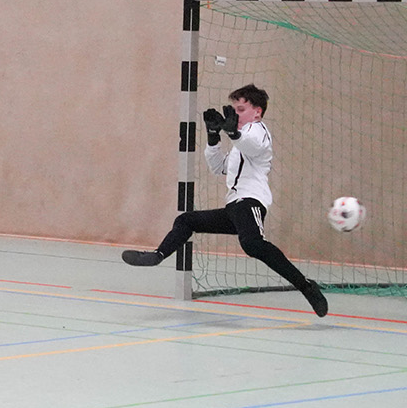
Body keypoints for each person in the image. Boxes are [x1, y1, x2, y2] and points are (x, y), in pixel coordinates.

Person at [122, 84, 329, 318]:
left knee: (253, 244)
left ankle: (306, 286)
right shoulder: (239, 143)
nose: (235, 115)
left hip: (250, 201)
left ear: (257, 112)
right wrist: (213, 138)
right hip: (234, 207)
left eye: (241, 110)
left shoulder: (258, 131)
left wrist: (234, 134)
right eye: (234, 110)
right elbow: (219, 167)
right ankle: (157, 255)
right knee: (186, 220)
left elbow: (252, 146)